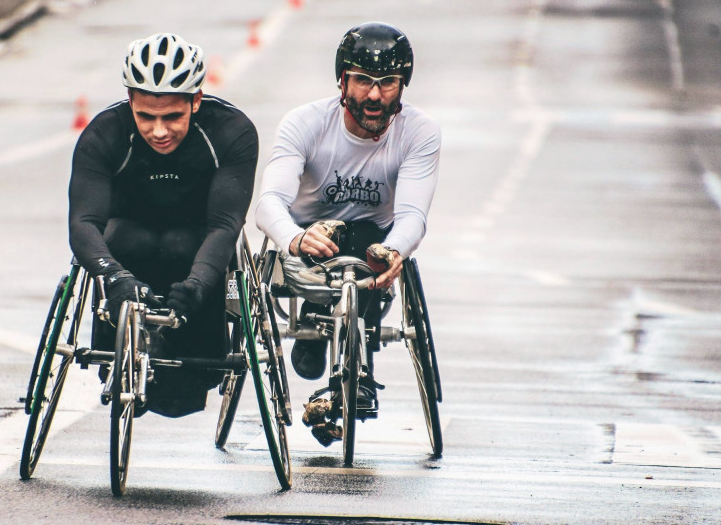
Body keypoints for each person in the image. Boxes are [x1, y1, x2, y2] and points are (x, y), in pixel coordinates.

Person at [255, 22, 441, 444]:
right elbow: (267, 204)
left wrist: (395, 251)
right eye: (362, 81)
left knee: (368, 241)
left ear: (402, 86)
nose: (374, 96)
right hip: (306, 240)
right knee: (339, 236)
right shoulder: (305, 123)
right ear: (342, 81)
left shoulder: (420, 132)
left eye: (387, 83)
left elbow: (412, 214)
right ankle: (316, 330)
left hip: (371, 241)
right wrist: (295, 239)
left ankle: (358, 374)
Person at [68, 32, 259, 418]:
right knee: (123, 237)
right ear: (129, 102)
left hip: (194, 244)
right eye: (145, 116)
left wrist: (199, 284)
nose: (159, 131)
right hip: (128, 243)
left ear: (197, 100)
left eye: (172, 116)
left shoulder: (231, 131)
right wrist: (114, 277)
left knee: (180, 244)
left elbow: (225, 225)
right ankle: (120, 353)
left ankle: (186, 354)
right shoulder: (104, 133)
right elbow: (84, 222)